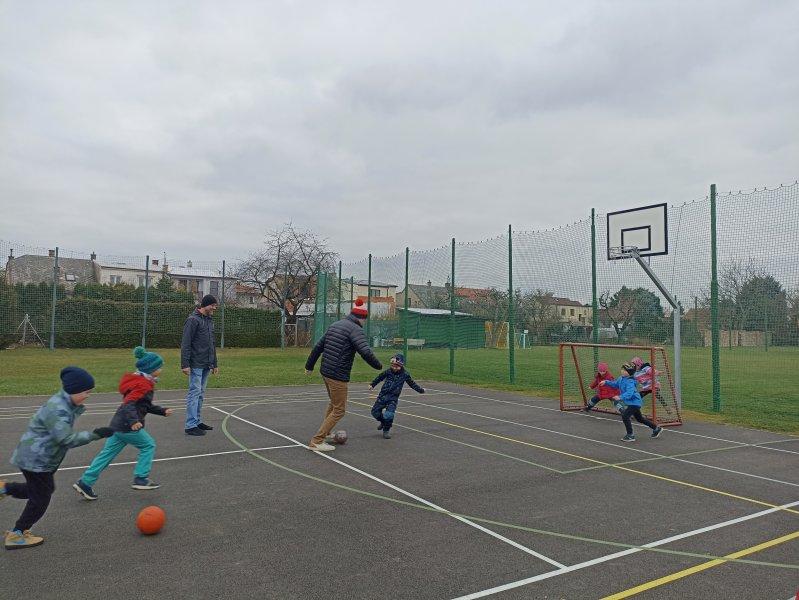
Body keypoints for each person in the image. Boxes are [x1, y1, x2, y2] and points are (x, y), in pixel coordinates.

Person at [1, 367, 112, 549]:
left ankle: (5, 488)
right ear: (74, 390)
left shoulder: (65, 403)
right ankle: (17, 533)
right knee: (41, 498)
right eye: (86, 391)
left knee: (40, 490)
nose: (88, 395)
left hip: (37, 457)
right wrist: (95, 434)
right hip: (36, 460)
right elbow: (66, 439)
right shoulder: (58, 409)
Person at [73, 347, 172, 500]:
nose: (161, 369)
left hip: (118, 425)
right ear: (151, 369)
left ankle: (85, 482)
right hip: (127, 425)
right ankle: (141, 478)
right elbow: (129, 403)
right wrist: (134, 422)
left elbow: (143, 405)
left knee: (106, 455)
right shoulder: (143, 384)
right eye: (159, 367)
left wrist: (162, 411)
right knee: (148, 445)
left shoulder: (140, 381)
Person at [305, 298, 382, 451]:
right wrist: (378, 366)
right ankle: (317, 440)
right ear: (362, 318)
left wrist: (309, 366)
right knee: (339, 410)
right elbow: (365, 351)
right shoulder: (355, 329)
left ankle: (325, 433)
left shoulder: (336, 325)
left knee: (334, 404)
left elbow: (318, 347)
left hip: (326, 371)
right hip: (337, 374)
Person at [181, 294, 219, 436]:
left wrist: (214, 363)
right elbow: (186, 344)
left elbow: (212, 344)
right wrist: (185, 364)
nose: (215, 308)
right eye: (213, 305)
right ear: (206, 305)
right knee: (194, 393)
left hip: (206, 364)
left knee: (201, 394)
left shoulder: (209, 320)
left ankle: (197, 421)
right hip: (195, 363)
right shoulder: (192, 320)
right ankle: (190, 425)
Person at [600, 363, 663, 442]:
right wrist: (606, 382)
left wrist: (620, 397)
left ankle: (630, 435)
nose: (622, 371)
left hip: (635, 402)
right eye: (622, 369)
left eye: (625, 370)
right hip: (632, 403)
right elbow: (615, 384)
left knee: (625, 416)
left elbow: (629, 393)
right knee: (640, 419)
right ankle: (656, 428)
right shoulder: (621, 378)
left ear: (629, 372)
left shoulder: (630, 382)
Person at [369, 353, 425, 439]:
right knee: (374, 412)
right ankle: (383, 422)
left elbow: (412, 384)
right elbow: (379, 377)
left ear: (401, 365)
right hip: (382, 396)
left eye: (397, 366)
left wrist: (420, 390)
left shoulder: (405, 374)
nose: (394, 368)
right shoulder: (388, 372)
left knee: (389, 415)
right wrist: (372, 384)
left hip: (393, 398)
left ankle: (386, 430)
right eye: (393, 366)